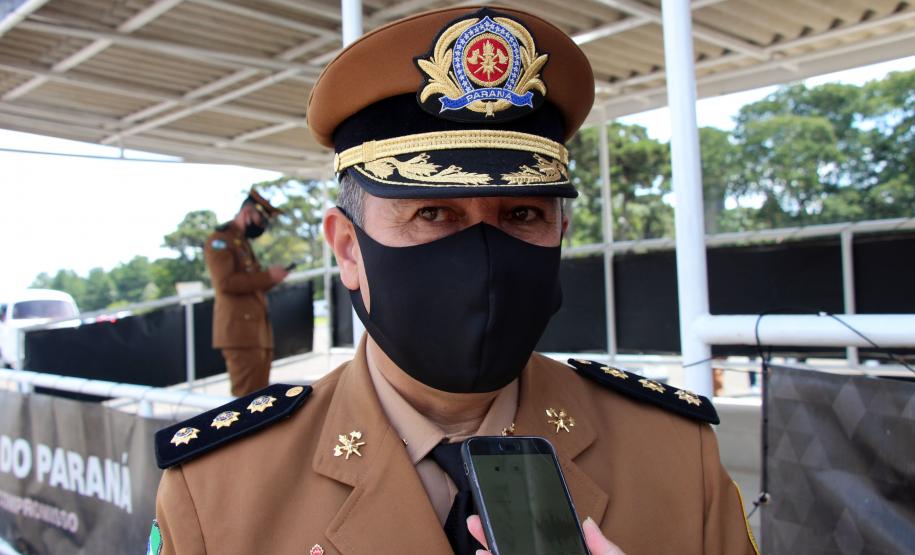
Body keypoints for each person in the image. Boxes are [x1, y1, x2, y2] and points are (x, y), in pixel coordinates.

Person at [150, 7, 759, 554]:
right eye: (433, 212)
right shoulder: (215, 494)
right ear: (349, 250)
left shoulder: (677, 457)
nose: (484, 258)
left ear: (562, 229)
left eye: (522, 214)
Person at [203, 187, 288, 397]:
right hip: (239, 334)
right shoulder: (220, 240)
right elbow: (225, 283)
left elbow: (252, 283)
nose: (263, 226)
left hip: (256, 332)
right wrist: (267, 276)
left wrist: (273, 278)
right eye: (262, 220)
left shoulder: (241, 242)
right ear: (247, 213)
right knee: (246, 400)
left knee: (260, 398)